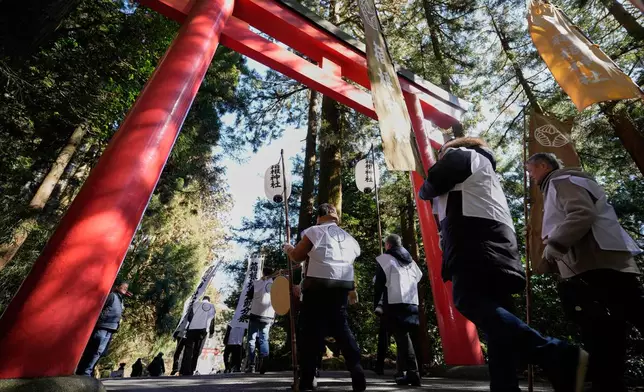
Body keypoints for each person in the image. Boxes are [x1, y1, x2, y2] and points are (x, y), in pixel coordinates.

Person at [418, 137, 588, 392]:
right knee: (498, 325)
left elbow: (428, 187)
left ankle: (559, 354)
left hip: (473, 240)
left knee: (469, 300)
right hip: (496, 243)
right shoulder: (484, 170)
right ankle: (505, 386)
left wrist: (438, 163)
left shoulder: (462, 155)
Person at [527, 152, 644, 392]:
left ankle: (607, 383)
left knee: (600, 327)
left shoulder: (561, 179)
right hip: (609, 258)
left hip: (593, 261)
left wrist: (556, 245)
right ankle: (610, 384)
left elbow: (582, 213)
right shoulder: (573, 179)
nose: (531, 177)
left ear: (543, 165)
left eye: (531, 171)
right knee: (618, 323)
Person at [283, 203, 365, 392]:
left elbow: (298, 255)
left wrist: (288, 248)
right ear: (335, 217)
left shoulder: (314, 232)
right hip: (342, 286)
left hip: (318, 287)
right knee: (342, 329)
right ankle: (357, 369)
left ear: (319, 217)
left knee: (312, 333)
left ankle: (307, 379)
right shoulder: (351, 239)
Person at [374, 234, 423, 386]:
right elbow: (419, 277)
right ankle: (402, 373)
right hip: (412, 302)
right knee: (403, 338)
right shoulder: (412, 262)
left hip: (395, 303)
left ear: (388, 245)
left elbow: (379, 284)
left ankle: (414, 373)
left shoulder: (385, 259)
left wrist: (377, 304)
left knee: (402, 337)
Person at [76, 281, 129, 377]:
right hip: (102, 326)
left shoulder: (121, 299)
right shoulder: (112, 296)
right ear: (117, 286)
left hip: (111, 328)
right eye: (123, 286)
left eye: (126, 288)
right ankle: (82, 370)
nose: (125, 288)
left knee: (100, 351)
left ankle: (88, 370)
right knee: (93, 348)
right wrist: (100, 319)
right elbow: (100, 308)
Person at [245, 267, 276, 374]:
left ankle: (251, 365)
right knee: (264, 338)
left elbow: (249, 295)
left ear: (263, 273)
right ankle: (265, 359)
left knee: (251, 339)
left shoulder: (257, 283)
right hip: (268, 315)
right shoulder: (275, 285)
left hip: (255, 313)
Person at [180, 296, 216, 376]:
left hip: (192, 329)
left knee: (188, 349)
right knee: (197, 350)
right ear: (209, 300)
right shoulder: (212, 306)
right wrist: (211, 332)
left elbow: (189, 317)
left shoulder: (196, 304)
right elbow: (212, 320)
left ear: (203, 299)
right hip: (203, 330)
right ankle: (193, 369)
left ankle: (186, 370)